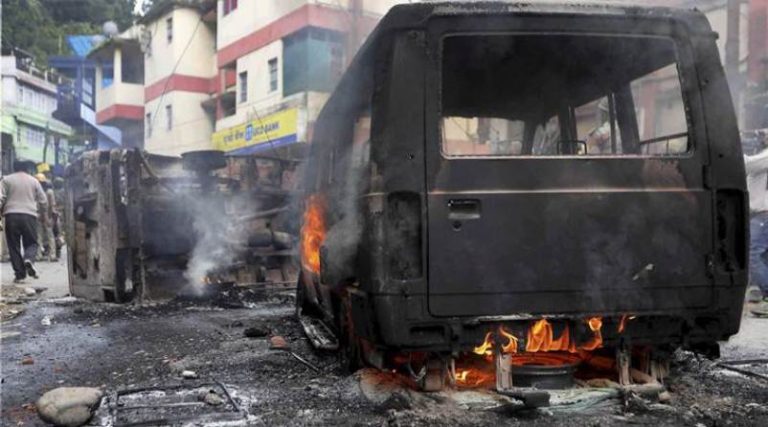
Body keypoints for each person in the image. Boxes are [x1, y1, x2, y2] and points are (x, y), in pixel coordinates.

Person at [0, 161, 48, 283]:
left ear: (13, 168)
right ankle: (28, 259)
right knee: (32, 243)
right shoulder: (34, 181)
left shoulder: (6, 180)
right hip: (29, 215)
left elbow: (1, 198)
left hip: (11, 215)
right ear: (27, 169)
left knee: (13, 245)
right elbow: (43, 201)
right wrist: (43, 215)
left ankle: (20, 274)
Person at [745, 133, 768, 316]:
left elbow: (746, 164)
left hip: (763, 214)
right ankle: (758, 291)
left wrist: (734, 148)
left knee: (753, 253)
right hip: (760, 213)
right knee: (762, 255)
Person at [35, 173, 56, 261]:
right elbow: (52, 205)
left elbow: (52, 205)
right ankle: (52, 255)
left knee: (40, 236)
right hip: (45, 216)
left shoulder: (37, 192)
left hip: (41, 216)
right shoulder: (49, 192)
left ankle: (39, 255)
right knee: (49, 236)